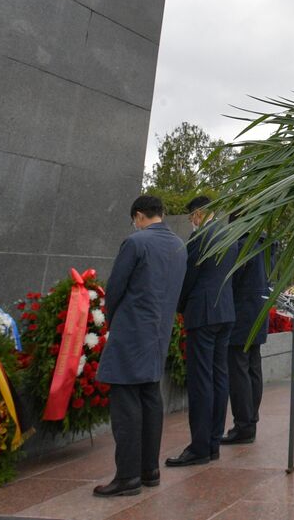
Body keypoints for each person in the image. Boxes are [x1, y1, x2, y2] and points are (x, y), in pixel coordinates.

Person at [93, 195, 186, 497]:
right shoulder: (178, 245)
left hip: (132, 331)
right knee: (150, 398)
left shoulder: (136, 243)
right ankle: (150, 470)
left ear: (138, 215)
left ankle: (128, 477)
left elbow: (116, 289)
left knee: (126, 404)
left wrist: (111, 319)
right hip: (159, 333)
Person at [166, 196, 236, 468]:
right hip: (226, 312)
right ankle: (213, 441)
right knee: (219, 376)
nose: (191, 222)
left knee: (201, 379)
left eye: (191, 217)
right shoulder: (229, 235)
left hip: (203, 314)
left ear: (198, 214)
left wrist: (179, 306)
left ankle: (199, 447)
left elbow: (188, 279)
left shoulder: (200, 238)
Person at [222, 223, 271, 446]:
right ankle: (251, 420)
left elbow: (232, 280)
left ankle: (243, 424)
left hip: (241, 313)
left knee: (239, 369)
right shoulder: (266, 244)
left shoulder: (242, 246)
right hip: (258, 313)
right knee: (253, 366)